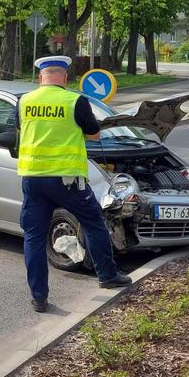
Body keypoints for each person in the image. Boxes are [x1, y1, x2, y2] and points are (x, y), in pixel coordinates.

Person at [15, 55, 131, 312]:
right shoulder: (74, 100)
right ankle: (107, 275)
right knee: (93, 223)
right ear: (65, 77)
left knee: (33, 236)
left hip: (33, 179)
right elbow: (94, 133)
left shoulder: (24, 101)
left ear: (40, 77)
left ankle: (38, 297)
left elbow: (21, 131)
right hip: (68, 179)